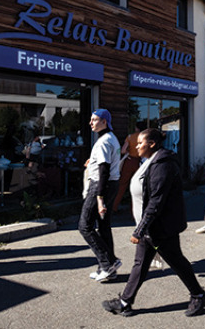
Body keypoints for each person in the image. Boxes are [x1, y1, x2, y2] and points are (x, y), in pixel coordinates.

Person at [102, 129, 205, 317]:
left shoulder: (163, 164)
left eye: (140, 143)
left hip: (160, 226)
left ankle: (198, 294)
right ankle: (125, 302)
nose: (136, 146)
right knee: (141, 264)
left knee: (175, 261)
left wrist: (140, 230)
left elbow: (157, 200)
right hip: (150, 226)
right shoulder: (150, 161)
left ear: (152, 144)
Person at [80, 109, 122, 282]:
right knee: (104, 226)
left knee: (85, 226)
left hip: (101, 185)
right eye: (90, 119)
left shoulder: (104, 141)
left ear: (104, 121)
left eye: (94, 119)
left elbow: (104, 171)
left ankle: (108, 262)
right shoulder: (111, 138)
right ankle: (106, 268)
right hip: (112, 184)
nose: (91, 122)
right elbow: (105, 164)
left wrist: (99, 198)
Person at [113, 125, 143, 212]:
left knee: (122, 185)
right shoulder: (145, 137)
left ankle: (114, 206)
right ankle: (136, 209)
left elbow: (122, 151)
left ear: (136, 128)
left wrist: (128, 151)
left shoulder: (130, 137)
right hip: (140, 162)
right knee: (139, 186)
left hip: (129, 161)